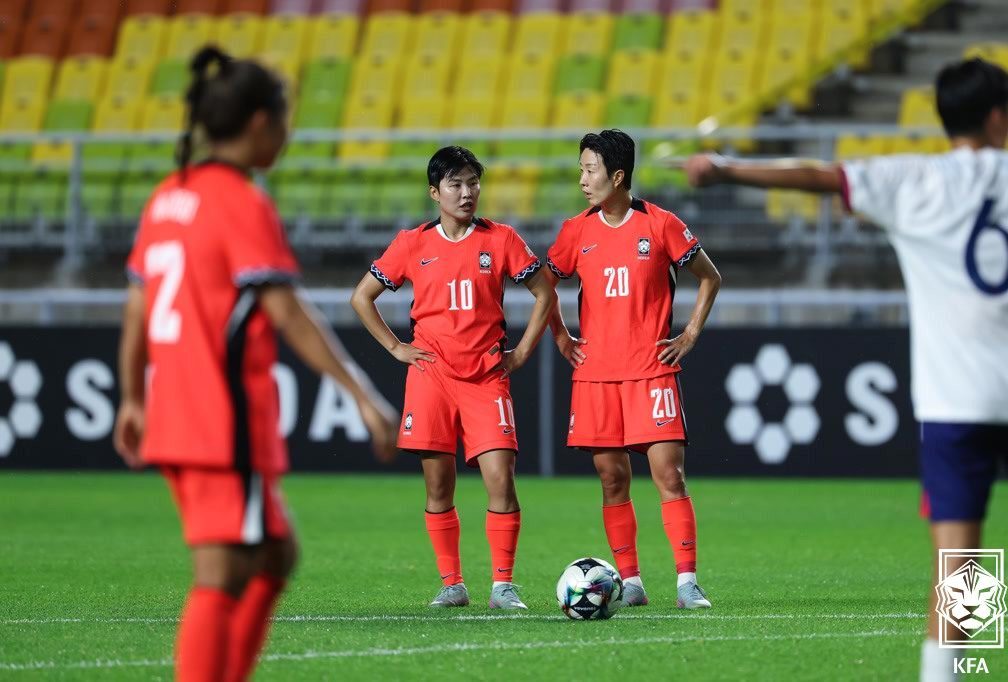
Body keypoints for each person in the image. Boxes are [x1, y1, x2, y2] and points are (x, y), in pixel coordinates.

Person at [686, 58, 1008, 682]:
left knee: (962, 557)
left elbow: (817, 175)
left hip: (956, 399)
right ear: (1001, 116)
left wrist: (727, 168)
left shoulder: (913, 179)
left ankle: (949, 675)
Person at [113, 46, 398, 682]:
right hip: (221, 418)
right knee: (221, 573)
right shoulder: (239, 202)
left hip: (174, 410)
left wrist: (132, 397)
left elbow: (137, 310)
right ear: (261, 124)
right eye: (286, 117)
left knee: (275, 553)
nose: (290, 131)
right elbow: (289, 313)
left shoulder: (168, 197)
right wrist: (362, 394)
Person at [351, 146, 555, 609]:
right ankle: (453, 583)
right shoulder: (412, 242)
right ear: (434, 192)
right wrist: (396, 348)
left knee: (500, 477)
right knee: (438, 486)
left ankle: (502, 585)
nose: (466, 193)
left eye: (472, 183)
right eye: (455, 184)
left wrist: (522, 351)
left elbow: (544, 292)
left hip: (485, 376)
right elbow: (362, 297)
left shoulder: (501, 239)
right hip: (431, 376)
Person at [544, 129, 722, 609]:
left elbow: (710, 277)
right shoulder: (576, 230)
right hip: (596, 375)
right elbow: (544, 284)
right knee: (612, 480)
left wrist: (688, 335)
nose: (583, 179)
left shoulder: (661, 224)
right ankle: (633, 582)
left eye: (590, 169)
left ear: (617, 175)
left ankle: (687, 583)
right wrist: (561, 336)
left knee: (669, 474)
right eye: (581, 169)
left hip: (651, 370)